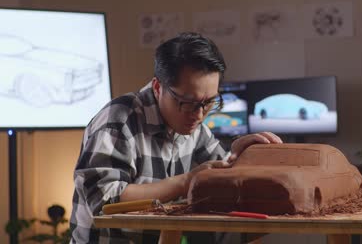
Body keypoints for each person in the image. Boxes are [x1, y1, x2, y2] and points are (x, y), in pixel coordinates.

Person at [70, 32, 282, 243]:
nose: (199, 115)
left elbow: (219, 175)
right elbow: (103, 200)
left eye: (209, 102)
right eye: (187, 102)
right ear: (157, 87)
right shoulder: (117, 122)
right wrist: (185, 181)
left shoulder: (193, 124)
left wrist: (238, 154)